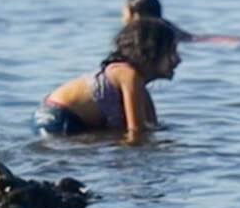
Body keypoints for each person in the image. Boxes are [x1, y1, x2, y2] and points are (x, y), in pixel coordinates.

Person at [36, 17, 181, 140]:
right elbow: (136, 131)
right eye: (172, 51)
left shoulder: (138, 87)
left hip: (68, 119)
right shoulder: (129, 75)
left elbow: (151, 125)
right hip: (58, 117)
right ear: (150, 53)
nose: (178, 60)